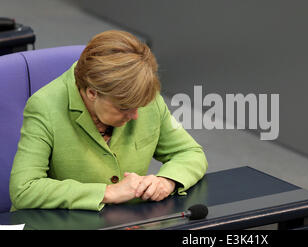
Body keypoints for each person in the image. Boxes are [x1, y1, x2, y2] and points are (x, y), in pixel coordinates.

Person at [9, 30, 208, 211]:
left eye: (138, 107)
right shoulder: (44, 107)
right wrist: (108, 192)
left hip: (127, 220)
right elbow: (24, 189)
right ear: (92, 93)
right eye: (124, 108)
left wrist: (166, 181)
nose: (136, 115)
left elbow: (190, 152)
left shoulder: (143, 97)